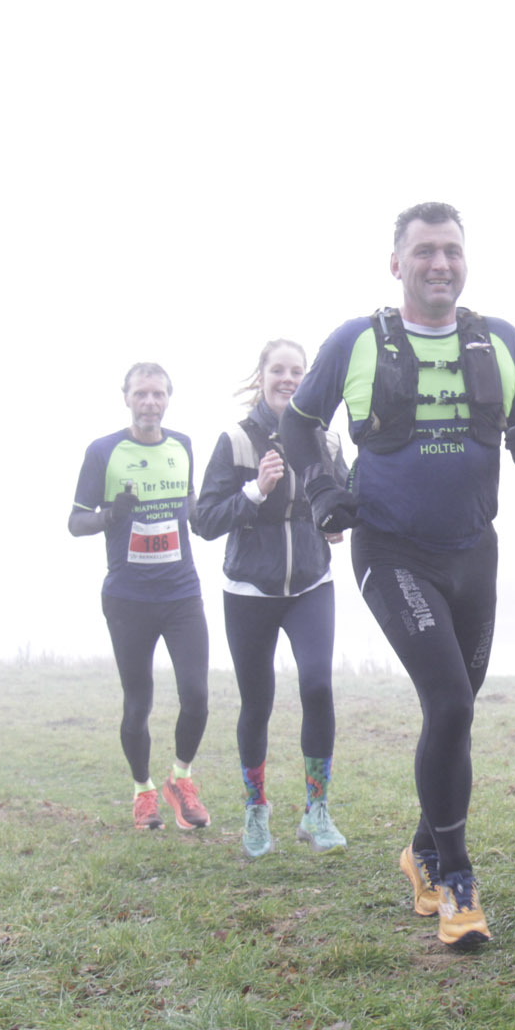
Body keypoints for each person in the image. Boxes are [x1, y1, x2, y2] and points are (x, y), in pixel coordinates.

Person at [281, 202, 515, 949]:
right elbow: (298, 423)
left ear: (466, 261)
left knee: (457, 711)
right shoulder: (356, 340)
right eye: (425, 250)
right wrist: (323, 489)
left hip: (474, 550)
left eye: (452, 250)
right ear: (396, 263)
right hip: (393, 550)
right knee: (450, 702)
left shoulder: (500, 339)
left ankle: (421, 849)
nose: (441, 263)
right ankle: (456, 881)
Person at [193, 339, 348, 862]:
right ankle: (256, 810)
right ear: (260, 377)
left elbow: (345, 498)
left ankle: (316, 810)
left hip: (311, 584)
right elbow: (204, 520)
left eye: (297, 372)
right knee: (256, 702)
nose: (288, 379)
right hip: (249, 590)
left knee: (318, 687)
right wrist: (255, 491)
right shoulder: (237, 441)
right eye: (278, 370)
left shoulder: (326, 440)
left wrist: (339, 520)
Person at [68, 362, 211, 832]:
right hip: (129, 598)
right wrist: (111, 515)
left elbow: (192, 508)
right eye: (141, 394)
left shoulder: (182, 446)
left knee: (196, 696)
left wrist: (221, 513)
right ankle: (143, 791)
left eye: (158, 394)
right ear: (126, 397)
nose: (150, 402)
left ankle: (180, 780)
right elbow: (75, 522)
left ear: (169, 398)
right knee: (138, 703)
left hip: (181, 593)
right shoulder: (103, 451)